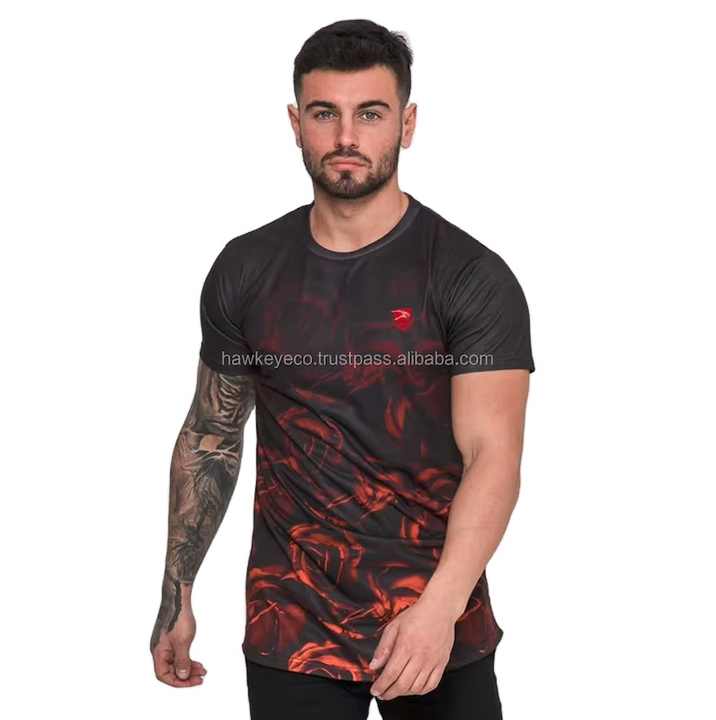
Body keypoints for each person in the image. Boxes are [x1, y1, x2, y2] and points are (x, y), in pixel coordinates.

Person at [150, 18, 534, 720]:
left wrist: (440, 608)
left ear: (407, 125)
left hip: (436, 619)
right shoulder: (247, 268)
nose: (346, 136)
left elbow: (494, 457)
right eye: (325, 113)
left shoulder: (469, 276)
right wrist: (177, 593)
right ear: (296, 123)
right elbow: (212, 435)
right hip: (292, 624)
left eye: (371, 113)